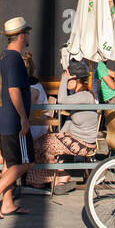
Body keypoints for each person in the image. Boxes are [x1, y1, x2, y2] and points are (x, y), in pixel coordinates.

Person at [0, 16, 34, 218]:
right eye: (27, 32)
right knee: (27, 162)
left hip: (2, 117)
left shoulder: (2, 57)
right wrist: (23, 117)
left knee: (9, 162)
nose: (29, 35)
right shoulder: (15, 60)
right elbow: (14, 90)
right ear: (21, 36)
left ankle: (8, 203)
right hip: (14, 120)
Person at [28, 58, 98, 193]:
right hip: (75, 138)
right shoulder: (79, 95)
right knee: (41, 142)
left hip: (83, 143)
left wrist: (64, 79)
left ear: (75, 79)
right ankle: (56, 177)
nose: (65, 81)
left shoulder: (85, 96)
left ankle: (57, 177)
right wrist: (57, 136)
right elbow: (70, 121)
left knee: (42, 144)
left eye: (68, 78)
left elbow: (62, 101)